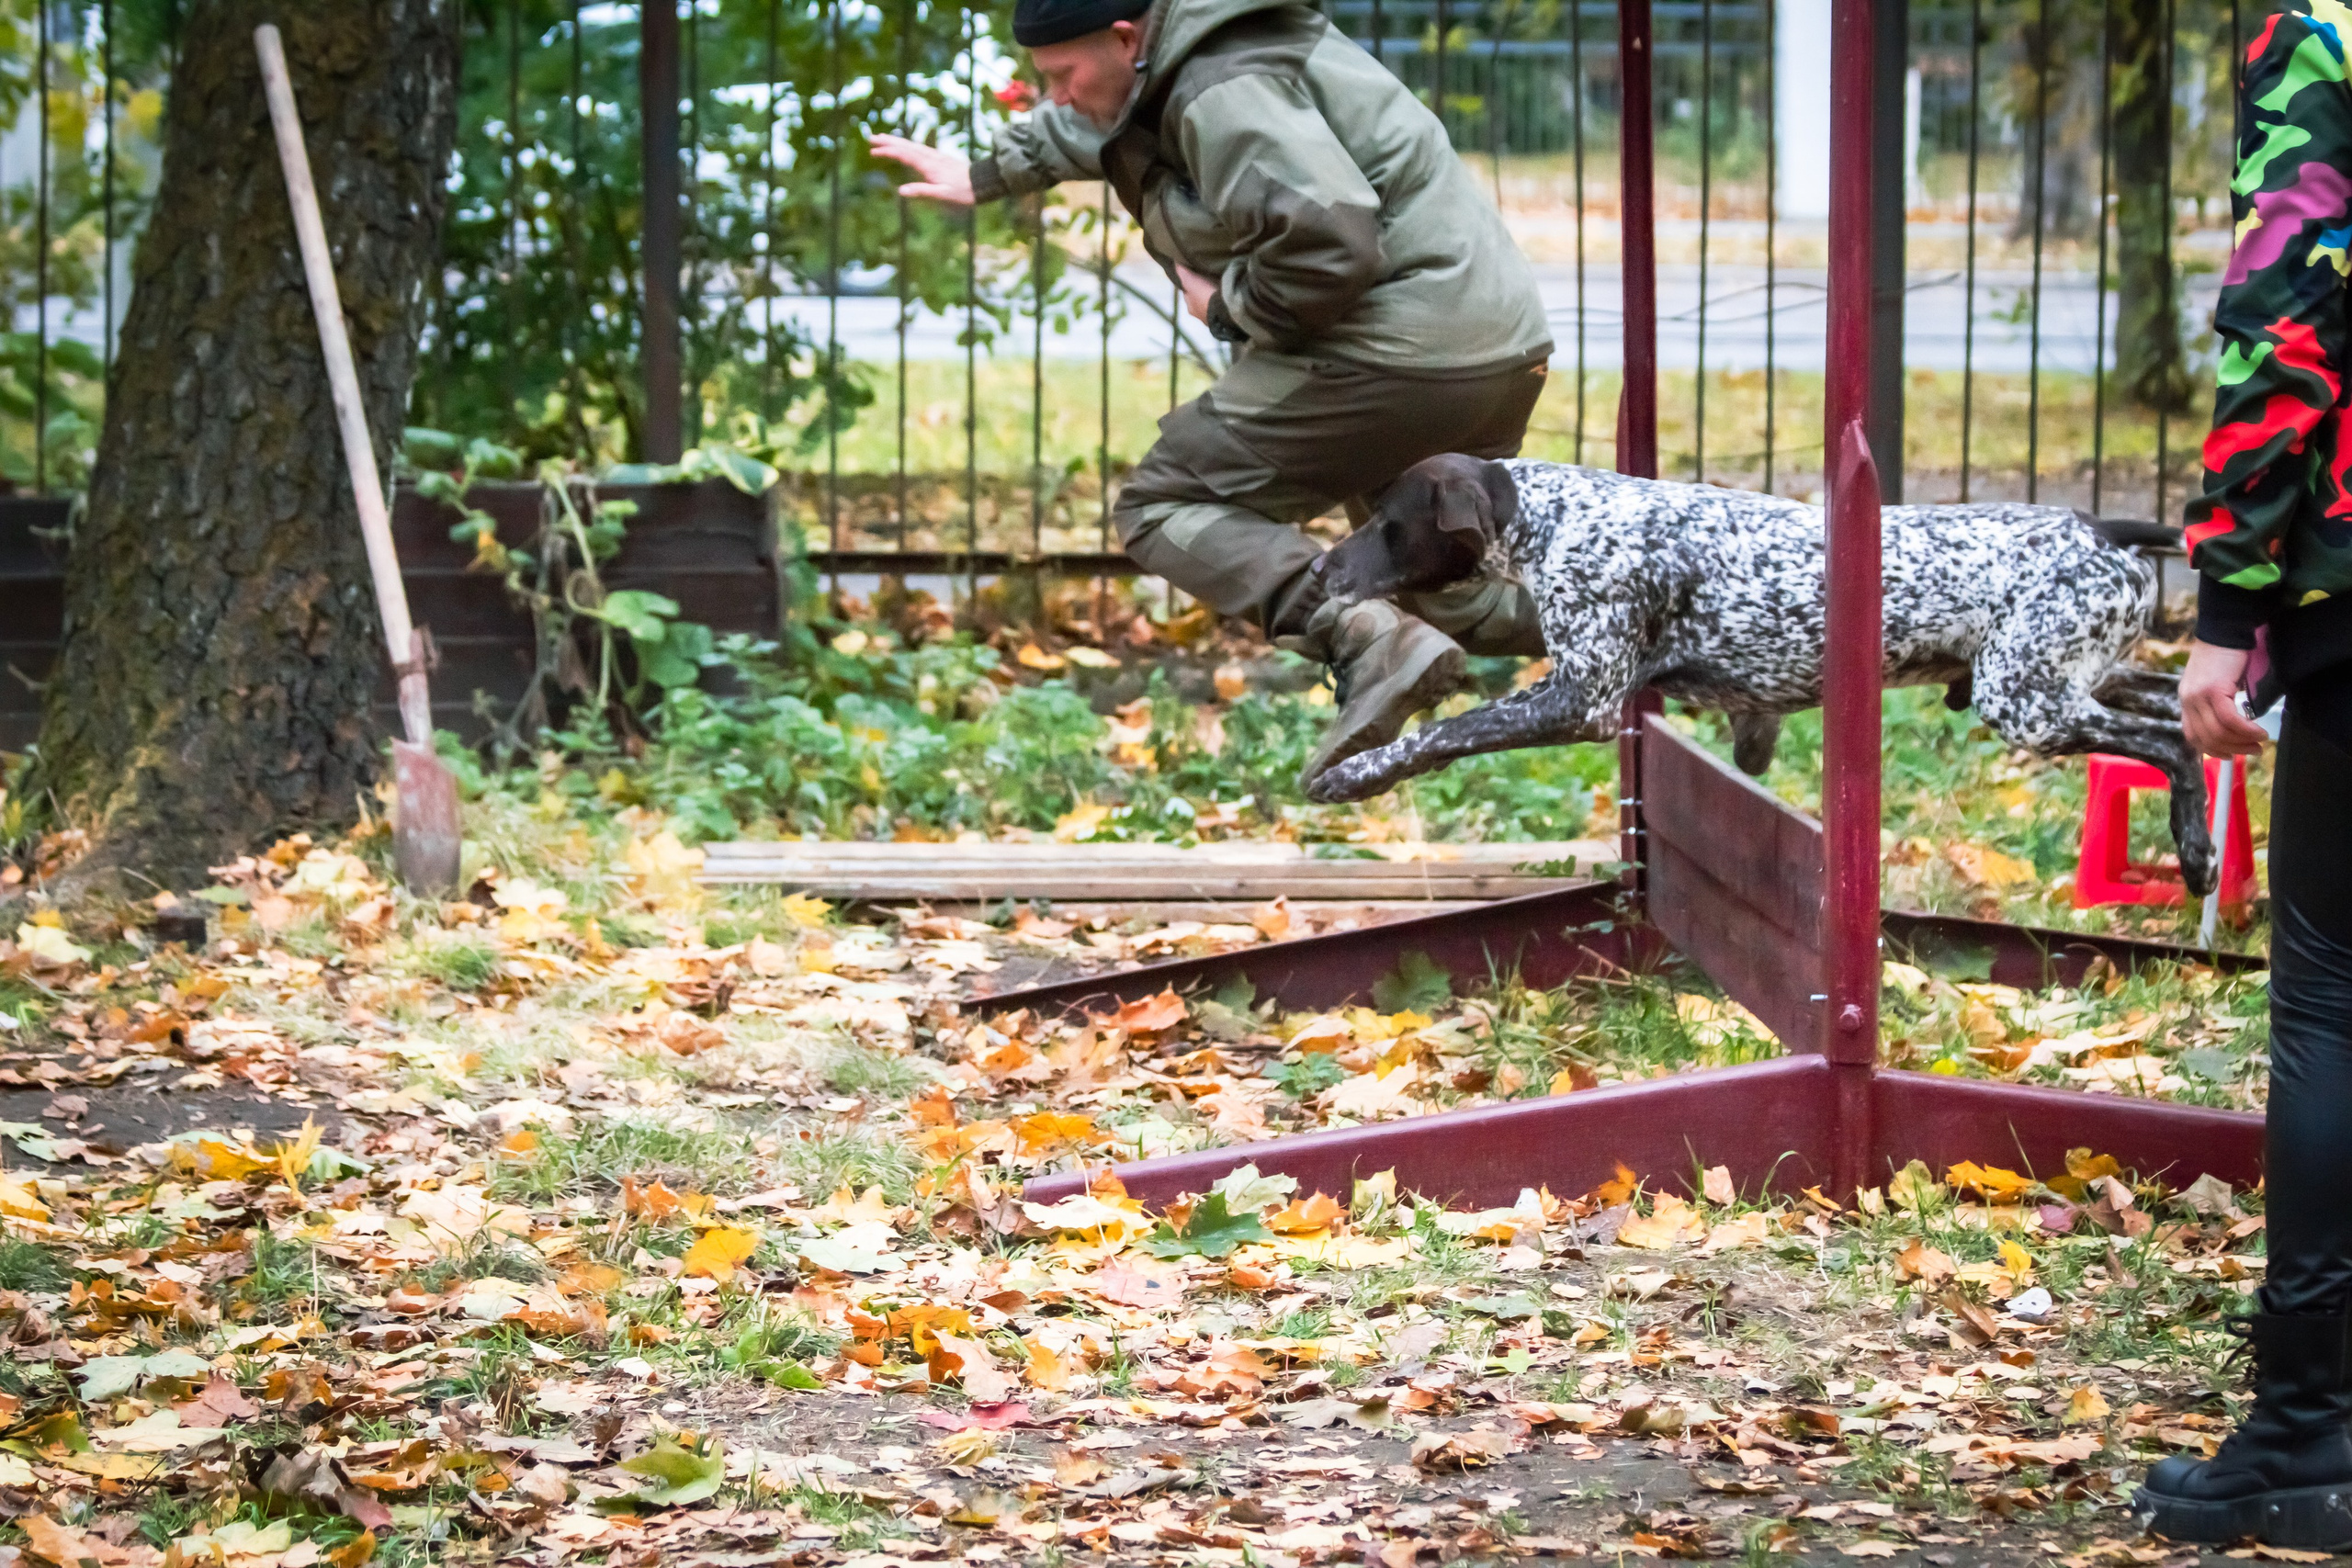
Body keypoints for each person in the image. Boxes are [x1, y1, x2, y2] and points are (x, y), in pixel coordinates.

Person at [870, 0, 1553, 788]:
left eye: (1061, 73)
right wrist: (990, 171)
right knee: (1453, 586)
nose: (1051, 93)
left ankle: (1363, 633)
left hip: (1396, 354)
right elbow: (1109, 127)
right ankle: (1681, 627)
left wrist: (1229, 307)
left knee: (1164, 505)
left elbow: (1327, 240)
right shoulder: (1180, 63)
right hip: (1490, 349)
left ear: (1126, 38)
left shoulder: (1219, 85)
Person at [2138, 1, 2352, 1552]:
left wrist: (2231, 603)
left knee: (2336, 994)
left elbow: (2291, 307)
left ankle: (2309, 1429)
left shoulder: (2329, 30)